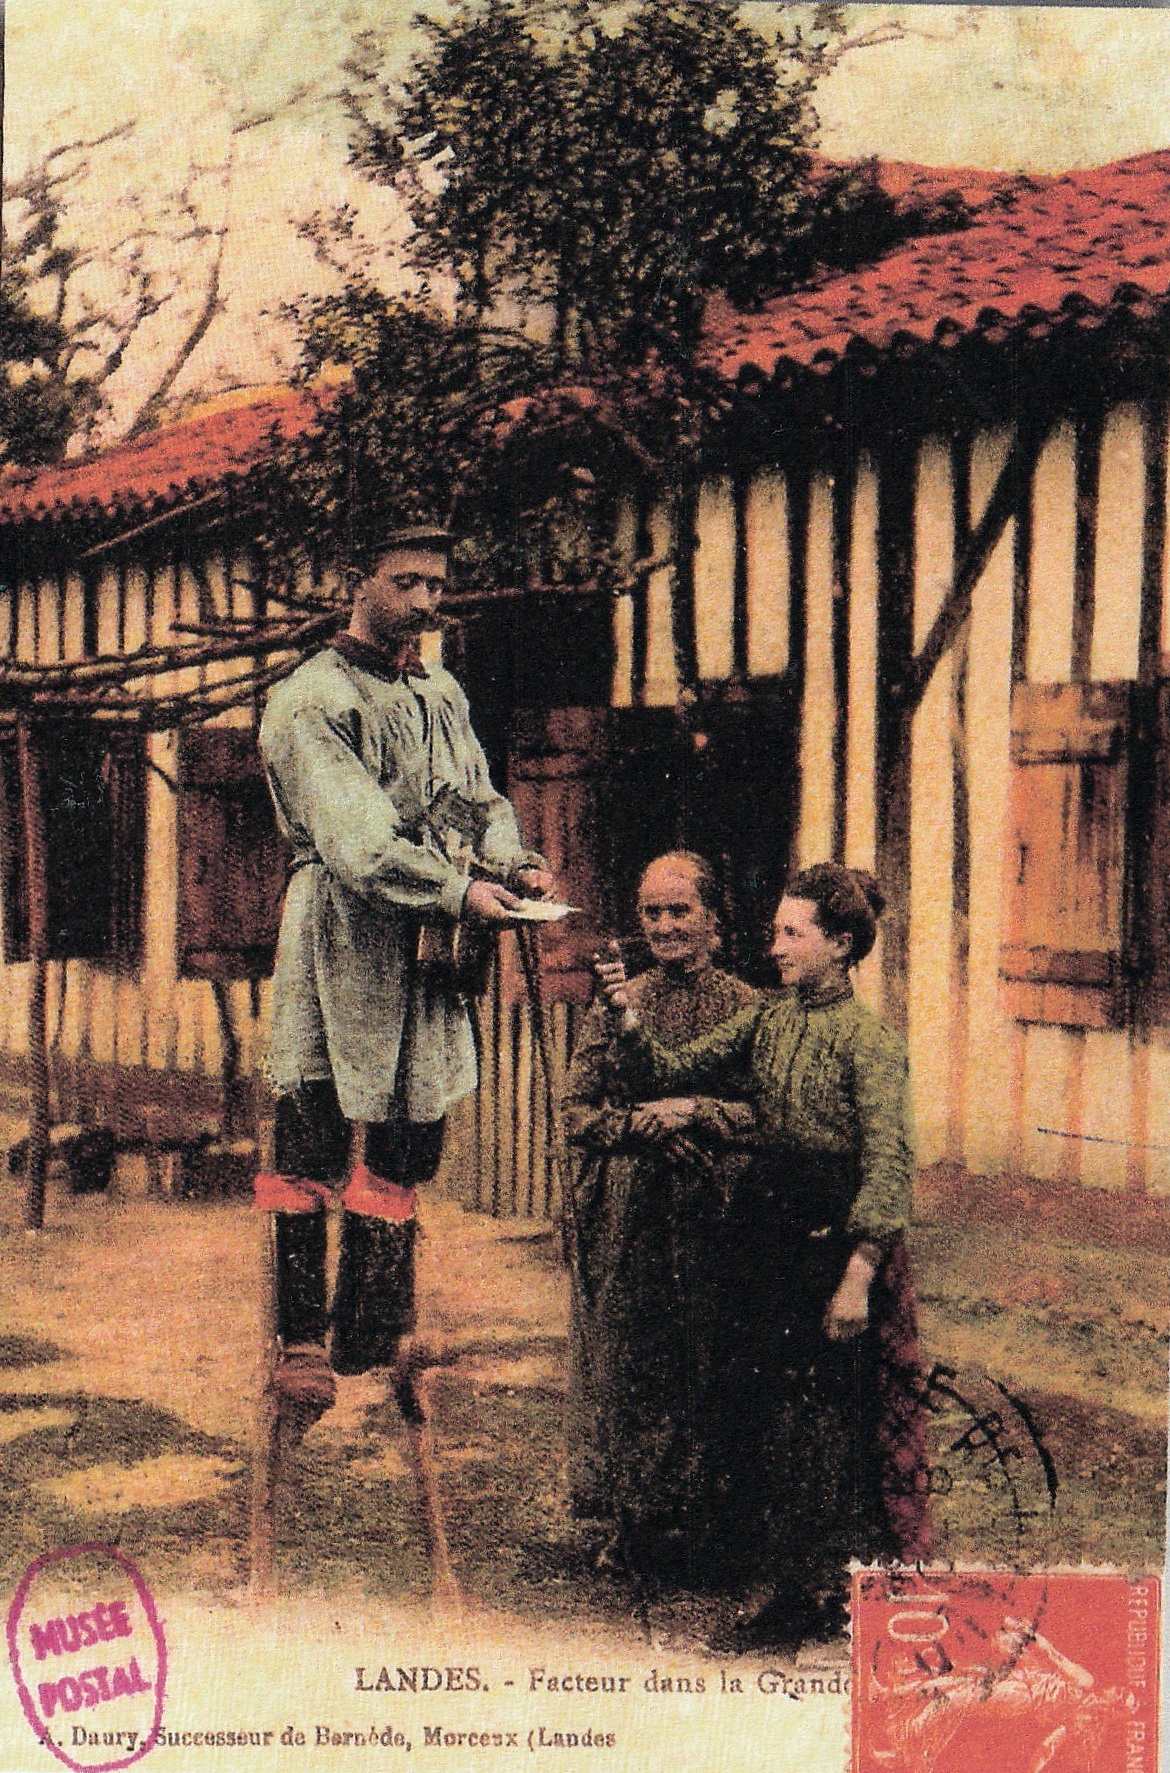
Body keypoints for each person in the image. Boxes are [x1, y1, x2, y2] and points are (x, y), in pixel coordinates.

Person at [255, 524, 553, 1436]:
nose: (426, 601)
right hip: (343, 926)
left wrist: (513, 860)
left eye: (436, 585)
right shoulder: (311, 699)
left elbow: (478, 799)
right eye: (407, 582)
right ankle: (301, 1338)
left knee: (411, 1124)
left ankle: (371, 1323)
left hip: (427, 934)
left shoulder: (438, 690)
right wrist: (461, 889)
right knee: (312, 1123)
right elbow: (358, 843)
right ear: (356, 579)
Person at [593, 862, 931, 1643]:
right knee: (756, 1400)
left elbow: (889, 1164)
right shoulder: (770, 1018)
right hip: (766, 1226)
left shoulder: (871, 1041)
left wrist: (857, 1277)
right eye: (776, 930)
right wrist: (625, 1012)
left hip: (828, 1238)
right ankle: (758, 1563)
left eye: (791, 933)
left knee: (821, 1418)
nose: (774, 946)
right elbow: (669, 1068)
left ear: (840, 944)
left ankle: (813, 1590)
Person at [562, 852, 758, 1582]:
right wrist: (639, 1127)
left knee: (711, 1355)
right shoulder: (618, 1002)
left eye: (681, 910)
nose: (666, 925)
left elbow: (764, 1110)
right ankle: (635, 1520)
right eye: (652, 912)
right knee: (632, 1357)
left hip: (716, 1204)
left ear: (713, 917)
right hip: (631, 1209)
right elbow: (576, 1111)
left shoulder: (747, 1006)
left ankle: (710, 1522)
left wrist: (698, 1116)